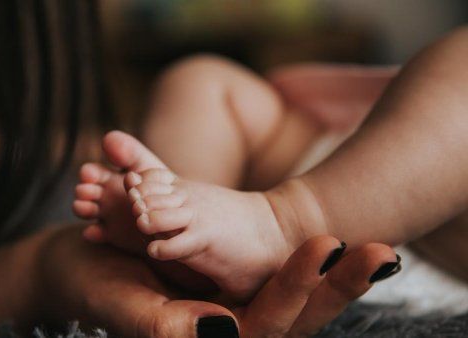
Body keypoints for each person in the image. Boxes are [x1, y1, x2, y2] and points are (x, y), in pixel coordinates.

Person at [0, 1, 401, 336]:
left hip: (369, 195)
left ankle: (219, 228)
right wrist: (39, 272)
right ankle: (192, 235)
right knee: (197, 78)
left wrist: (38, 269)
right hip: (297, 162)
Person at [73, 26, 468, 303]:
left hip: (441, 242)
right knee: (201, 79)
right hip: (337, 160)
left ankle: (285, 223)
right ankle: (185, 228)